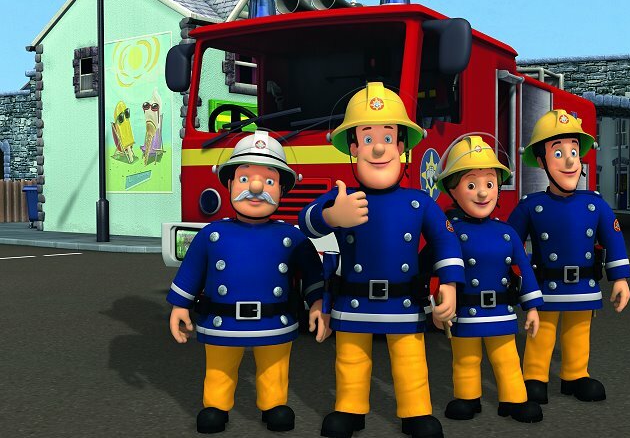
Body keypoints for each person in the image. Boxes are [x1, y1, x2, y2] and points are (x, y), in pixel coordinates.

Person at [298, 82, 464, 438]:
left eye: (387, 138)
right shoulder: (342, 197)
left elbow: (445, 240)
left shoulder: (418, 202)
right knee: (350, 360)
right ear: (354, 147)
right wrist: (332, 216)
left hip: (404, 301)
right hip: (352, 300)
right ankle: (349, 409)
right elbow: (305, 221)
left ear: (401, 147)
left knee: (410, 360)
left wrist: (449, 285)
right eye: (368, 138)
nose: (377, 148)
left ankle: (416, 412)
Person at [166, 131, 330, 434]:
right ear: (229, 184)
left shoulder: (291, 236)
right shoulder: (211, 234)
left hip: (275, 319)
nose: (256, 188)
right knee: (219, 365)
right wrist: (180, 306)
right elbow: (192, 271)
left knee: (275, 365)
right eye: (244, 179)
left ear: (282, 189)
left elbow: (311, 272)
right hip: (222, 319)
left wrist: (318, 303)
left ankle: (274, 404)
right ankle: (216, 405)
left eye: (269, 181)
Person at [507, 110, 630, 405]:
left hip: (584, 285)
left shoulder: (595, 204)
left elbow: (613, 239)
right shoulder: (530, 206)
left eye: (574, 152)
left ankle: (575, 375)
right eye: (558, 153)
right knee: (541, 332)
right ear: (541, 162)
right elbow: (508, 244)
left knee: (578, 332)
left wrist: (620, 278)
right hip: (545, 286)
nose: (569, 161)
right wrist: (509, 279)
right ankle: (535, 376)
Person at [431, 134, 544, 423]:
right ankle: (467, 397)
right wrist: (435, 303)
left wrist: (532, 307)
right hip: (464, 311)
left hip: (501, 311)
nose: (483, 193)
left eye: (490, 184)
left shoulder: (506, 233)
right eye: (471, 185)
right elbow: (434, 268)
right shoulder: (448, 232)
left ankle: (514, 399)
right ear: (452, 190)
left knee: (507, 358)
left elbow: (524, 270)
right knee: (465, 359)